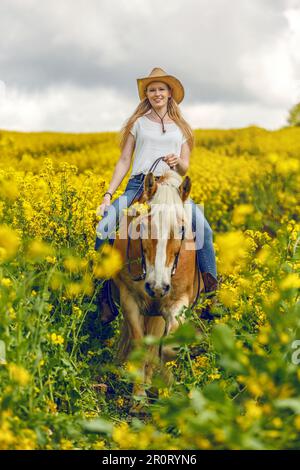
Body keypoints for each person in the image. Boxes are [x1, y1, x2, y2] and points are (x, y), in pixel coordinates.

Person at [94, 67, 219, 323]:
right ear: (146, 95)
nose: (157, 93)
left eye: (161, 89)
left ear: (170, 93)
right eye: (152, 90)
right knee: (105, 227)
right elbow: (124, 160)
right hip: (138, 187)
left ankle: (210, 297)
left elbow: (185, 166)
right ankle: (102, 295)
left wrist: (177, 162)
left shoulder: (182, 128)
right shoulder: (137, 124)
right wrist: (108, 194)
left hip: (171, 189)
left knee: (204, 229)